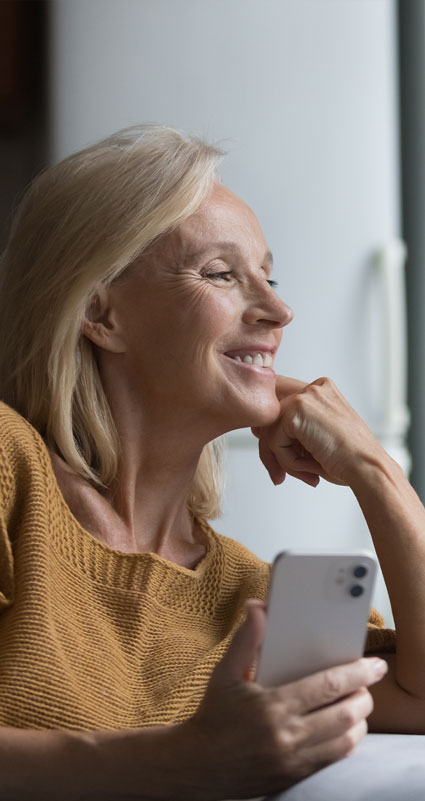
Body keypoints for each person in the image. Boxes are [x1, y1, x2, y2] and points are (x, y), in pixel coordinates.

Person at [0, 125, 424, 800]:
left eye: (268, 273)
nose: (278, 310)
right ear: (98, 311)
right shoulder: (7, 467)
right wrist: (176, 762)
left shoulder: (246, 598)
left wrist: (376, 471)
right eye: (222, 274)